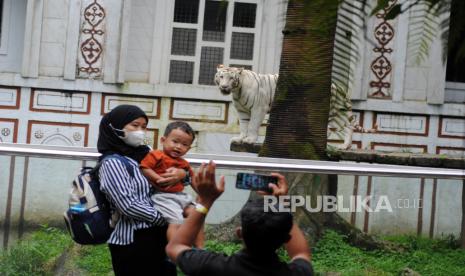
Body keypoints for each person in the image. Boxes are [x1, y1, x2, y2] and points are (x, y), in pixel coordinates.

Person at [166, 161, 314, 276]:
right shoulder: (297, 273)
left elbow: (175, 247)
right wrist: (280, 204)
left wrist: (205, 202)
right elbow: (301, 254)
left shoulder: (210, 266)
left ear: (239, 233)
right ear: (286, 238)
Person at [97, 104, 183, 275]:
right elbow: (128, 205)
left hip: (158, 235)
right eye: (135, 126)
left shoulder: (146, 153)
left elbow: (169, 176)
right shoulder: (112, 163)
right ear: (116, 127)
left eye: (144, 127)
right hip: (133, 240)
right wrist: (164, 218)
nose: (140, 131)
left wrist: (180, 174)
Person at [140, 121, 203, 247]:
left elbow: (192, 179)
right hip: (163, 196)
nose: (179, 147)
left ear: (189, 148)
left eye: (184, 144)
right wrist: (158, 179)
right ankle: (175, 249)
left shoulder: (184, 163)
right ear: (163, 140)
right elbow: (144, 167)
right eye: (175, 141)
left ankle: (200, 249)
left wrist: (203, 193)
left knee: (198, 215)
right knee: (176, 221)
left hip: (180, 196)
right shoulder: (156, 155)